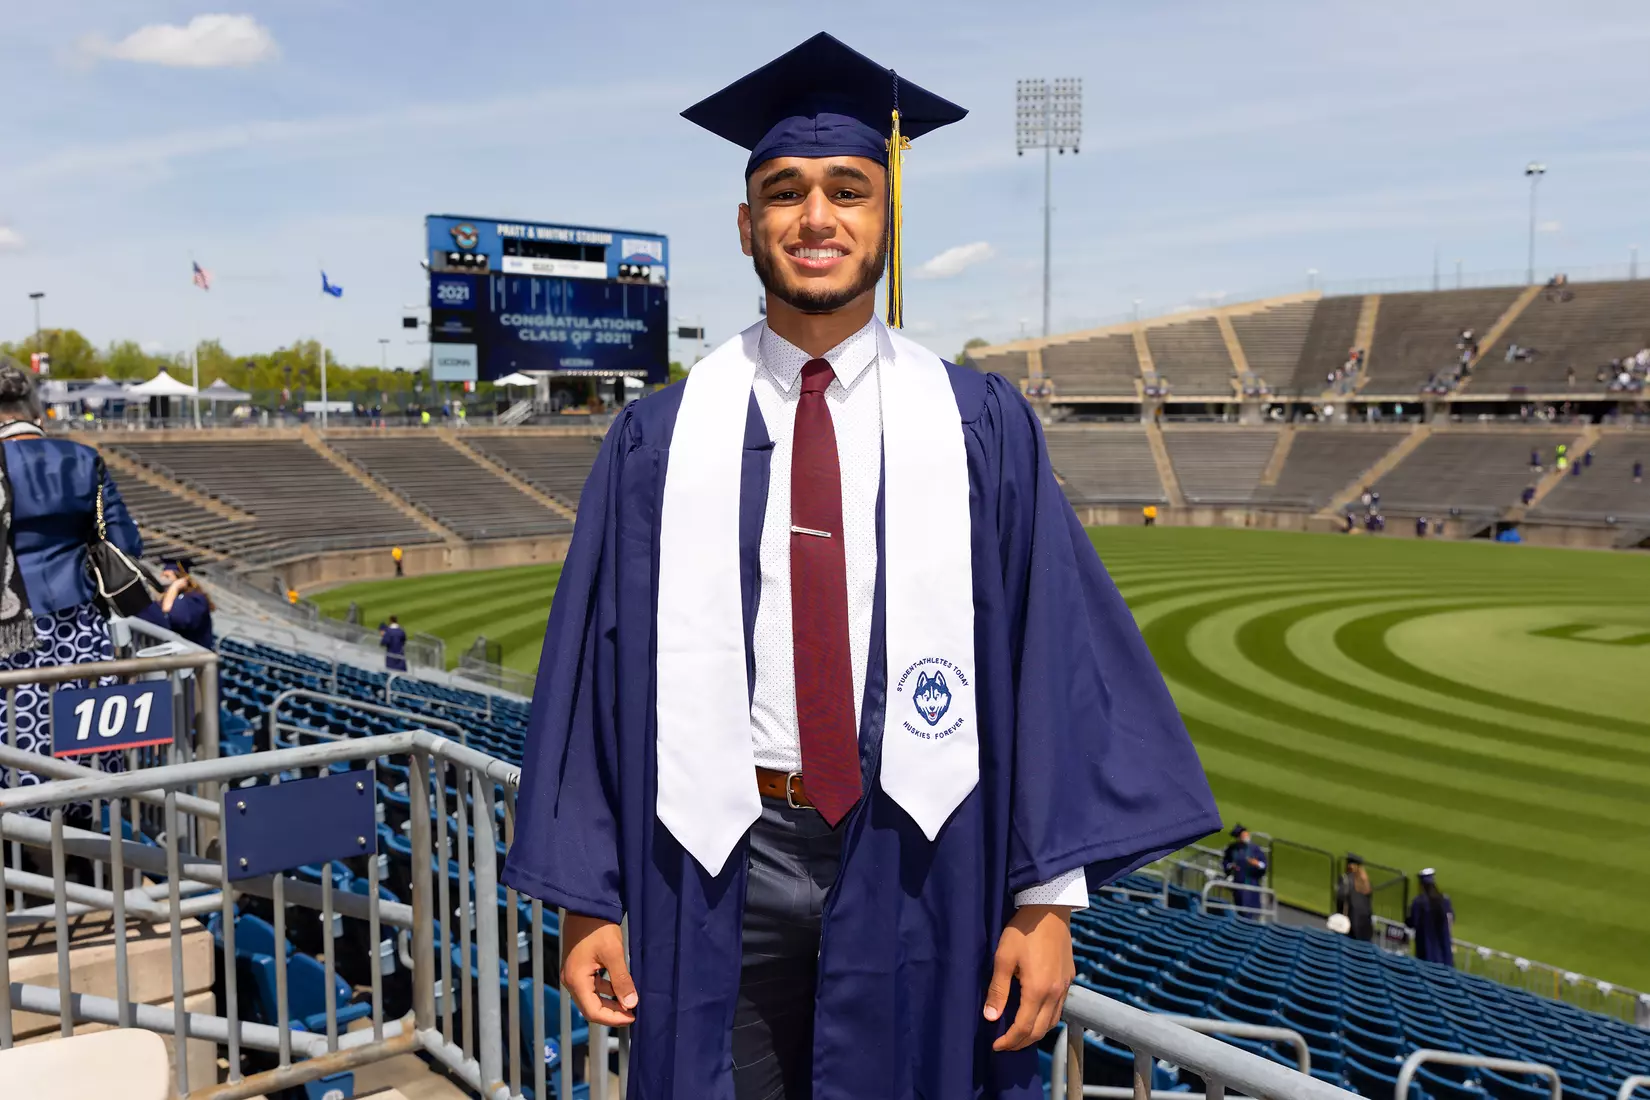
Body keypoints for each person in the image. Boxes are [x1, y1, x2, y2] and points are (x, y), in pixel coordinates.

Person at [501, 34, 1220, 1100]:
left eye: (848, 188)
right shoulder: (657, 440)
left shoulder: (979, 425)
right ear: (747, 225)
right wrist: (587, 898)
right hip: (712, 857)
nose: (816, 216)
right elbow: (591, 679)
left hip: (922, 846)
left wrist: (1046, 897)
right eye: (784, 192)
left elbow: (1048, 653)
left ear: (888, 217)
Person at [0, 361, 141, 805]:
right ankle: (79, 851)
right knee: (82, 757)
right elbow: (125, 543)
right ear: (35, 408)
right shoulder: (83, 459)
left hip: (8, 631)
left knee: (17, 752)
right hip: (78, 629)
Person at [137, 559, 215, 649]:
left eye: (167, 576)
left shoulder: (195, 600)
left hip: (192, 656)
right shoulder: (161, 601)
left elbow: (177, 617)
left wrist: (174, 587)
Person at [1407, 868, 1455, 967]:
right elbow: (1451, 920)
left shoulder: (1418, 902)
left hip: (1425, 953)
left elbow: (1411, 922)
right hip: (1445, 953)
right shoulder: (1445, 901)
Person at [1221, 824, 1268, 913]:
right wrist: (1231, 866)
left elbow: (1264, 864)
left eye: (1246, 834)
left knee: (1252, 909)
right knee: (1240, 908)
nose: (1246, 836)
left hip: (1252, 882)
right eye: (1243, 835)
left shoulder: (1254, 849)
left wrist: (1257, 864)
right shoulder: (1232, 848)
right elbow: (1225, 862)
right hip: (1238, 883)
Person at [1334, 853, 1374, 942]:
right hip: (1366, 927)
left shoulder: (1346, 879)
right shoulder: (1367, 882)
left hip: (1350, 927)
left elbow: (1340, 899)